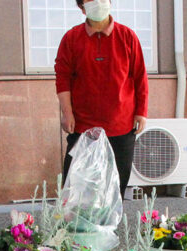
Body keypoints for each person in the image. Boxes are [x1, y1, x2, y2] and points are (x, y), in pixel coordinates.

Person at [55, 0, 148, 200]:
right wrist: (67, 112)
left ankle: (110, 229)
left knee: (116, 185)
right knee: (76, 186)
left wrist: (141, 112)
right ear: (81, 8)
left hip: (121, 125)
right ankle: (75, 228)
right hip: (82, 126)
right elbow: (62, 79)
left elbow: (140, 77)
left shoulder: (127, 36)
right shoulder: (71, 38)